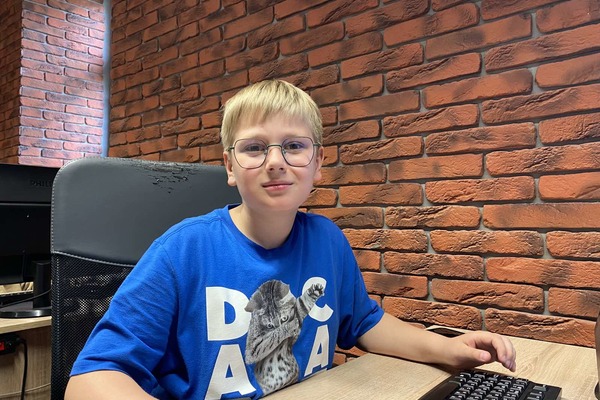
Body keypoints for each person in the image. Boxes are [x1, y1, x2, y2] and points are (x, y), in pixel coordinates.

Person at [65, 80, 516, 399]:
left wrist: (447, 349)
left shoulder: (327, 240)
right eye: (254, 147)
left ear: (317, 164)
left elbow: (364, 323)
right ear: (230, 166)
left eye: (294, 146)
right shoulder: (182, 251)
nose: (275, 161)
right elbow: (90, 379)